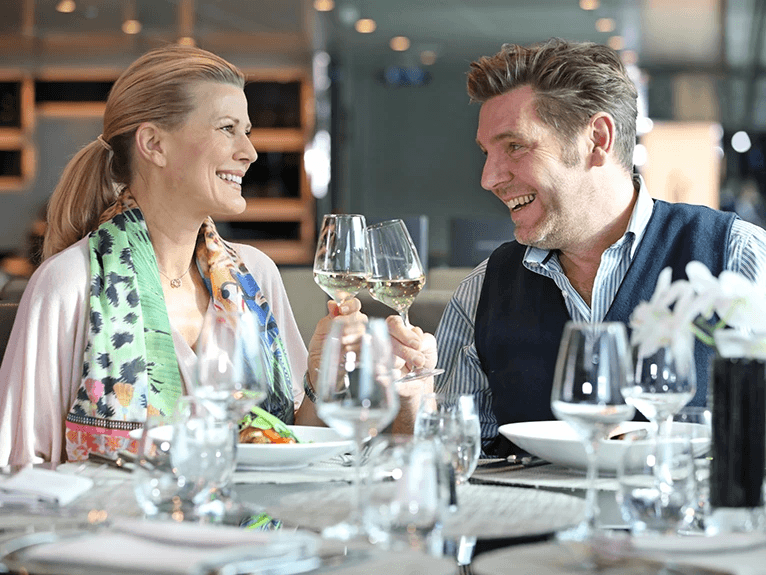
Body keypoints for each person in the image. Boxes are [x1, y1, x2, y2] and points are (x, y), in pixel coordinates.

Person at [0, 44, 435, 467]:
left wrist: (321, 380)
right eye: (228, 128)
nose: (249, 152)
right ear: (154, 143)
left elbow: (290, 442)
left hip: (256, 534)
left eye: (246, 131)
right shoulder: (70, 283)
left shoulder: (254, 277)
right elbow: (19, 471)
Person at [434, 38, 766, 456]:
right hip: (530, 520)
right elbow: (445, 464)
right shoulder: (481, 290)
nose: (489, 178)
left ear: (597, 139)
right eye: (487, 152)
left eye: (514, 146)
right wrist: (404, 403)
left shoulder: (740, 258)